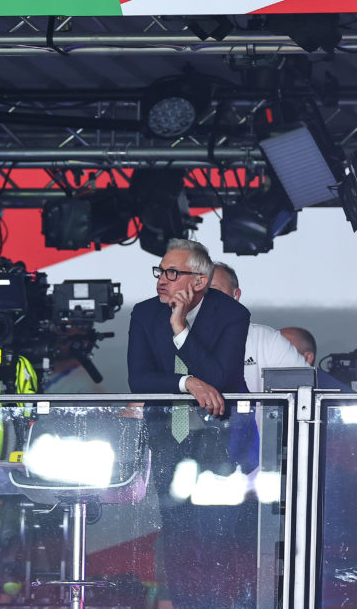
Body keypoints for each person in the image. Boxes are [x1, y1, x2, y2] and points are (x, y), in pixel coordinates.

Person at [127, 238, 254, 609]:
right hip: (167, 435)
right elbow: (141, 380)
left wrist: (180, 328)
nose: (161, 280)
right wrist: (186, 383)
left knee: (214, 532)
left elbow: (219, 375)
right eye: (160, 271)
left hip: (216, 436)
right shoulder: (145, 313)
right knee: (176, 534)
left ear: (199, 281)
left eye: (171, 273)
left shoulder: (232, 315)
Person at [209, 262, 309, 392]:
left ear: (236, 296)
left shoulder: (268, 341)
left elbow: (305, 389)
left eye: (213, 291)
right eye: (198, 290)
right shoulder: (179, 338)